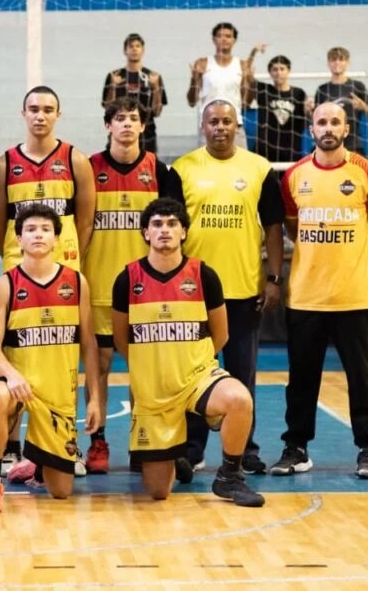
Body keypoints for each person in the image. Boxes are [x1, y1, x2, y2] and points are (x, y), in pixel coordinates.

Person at [111, 197, 265, 507]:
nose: (164, 230)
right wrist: (152, 371)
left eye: (172, 224)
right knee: (157, 493)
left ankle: (229, 477)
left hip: (197, 378)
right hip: (153, 391)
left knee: (239, 399)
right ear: (145, 233)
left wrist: (190, 363)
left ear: (184, 232)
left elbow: (220, 334)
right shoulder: (127, 279)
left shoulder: (204, 275)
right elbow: (121, 339)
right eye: (157, 224)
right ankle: (175, 452)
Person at [271, 102, 368, 480]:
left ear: (345, 129)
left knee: (362, 377)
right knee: (302, 378)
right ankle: (297, 448)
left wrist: (353, 259)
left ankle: (367, 449)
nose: (328, 127)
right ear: (311, 129)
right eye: (321, 121)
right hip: (307, 295)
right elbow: (293, 229)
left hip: (355, 294)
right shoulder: (294, 176)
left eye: (335, 122)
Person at [164, 100, 285, 478]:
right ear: (203, 126)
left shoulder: (259, 169)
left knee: (241, 373)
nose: (220, 127)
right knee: (193, 375)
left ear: (237, 126)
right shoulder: (181, 169)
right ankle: (193, 447)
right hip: (192, 293)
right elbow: (168, 230)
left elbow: (274, 228)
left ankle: (244, 449)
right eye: (213, 121)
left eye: (227, 121)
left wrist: (274, 277)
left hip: (244, 290)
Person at [0, 86, 95, 476]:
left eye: (48, 109)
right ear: (23, 113)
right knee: (18, 353)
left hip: (61, 268)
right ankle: (11, 448)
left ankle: (66, 442)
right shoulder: (5, 163)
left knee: (61, 357)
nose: (40, 115)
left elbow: (85, 219)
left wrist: (70, 253)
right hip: (18, 270)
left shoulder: (75, 159)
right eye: (33, 108)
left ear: (58, 114)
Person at [0, 204, 102, 512]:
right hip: (17, 382)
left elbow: (88, 342)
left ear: (57, 239)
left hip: (58, 393)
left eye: (46, 230)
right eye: (30, 230)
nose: (38, 235)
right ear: (18, 239)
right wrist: (12, 374)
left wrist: (95, 398)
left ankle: (37, 466)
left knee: (61, 492)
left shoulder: (76, 283)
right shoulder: (3, 285)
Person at [81, 96, 168, 474]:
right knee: (97, 366)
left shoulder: (158, 170)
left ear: (143, 126)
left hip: (144, 291)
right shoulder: (88, 169)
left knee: (143, 370)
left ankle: (140, 439)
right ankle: (97, 443)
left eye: (134, 119)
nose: (127, 124)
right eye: (120, 119)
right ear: (108, 126)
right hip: (99, 287)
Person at [186, 22, 265, 147]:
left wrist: (249, 81)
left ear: (234, 40)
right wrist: (194, 79)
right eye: (219, 36)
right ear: (214, 39)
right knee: (207, 166)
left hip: (235, 126)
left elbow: (246, 103)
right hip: (209, 126)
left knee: (240, 166)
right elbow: (191, 102)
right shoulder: (203, 63)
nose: (224, 39)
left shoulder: (242, 65)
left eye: (228, 36)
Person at [100, 33, 167, 153]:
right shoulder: (114, 76)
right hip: (119, 132)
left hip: (146, 134)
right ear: (125, 50)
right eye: (131, 46)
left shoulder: (153, 77)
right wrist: (113, 87)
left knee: (147, 170)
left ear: (143, 50)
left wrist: (155, 87)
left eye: (138, 46)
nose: (135, 49)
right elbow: (107, 107)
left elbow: (157, 112)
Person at [308, 47, 368, 155]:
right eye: (333, 59)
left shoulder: (357, 86)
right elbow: (315, 118)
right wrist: (308, 111)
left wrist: (363, 106)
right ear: (328, 63)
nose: (337, 62)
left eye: (341, 59)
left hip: (352, 144)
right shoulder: (322, 89)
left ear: (347, 63)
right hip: (327, 143)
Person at [253, 55, 308, 163]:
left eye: (282, 69)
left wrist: (309, 111)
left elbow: (305, 120)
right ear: (270, 73)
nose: (278, 72)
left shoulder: (298, 93)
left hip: (290, 149)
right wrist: (254, 54)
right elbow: (247, 78)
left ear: (288, 71)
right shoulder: (263, 90)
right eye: (275, 69)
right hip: (265, 150)